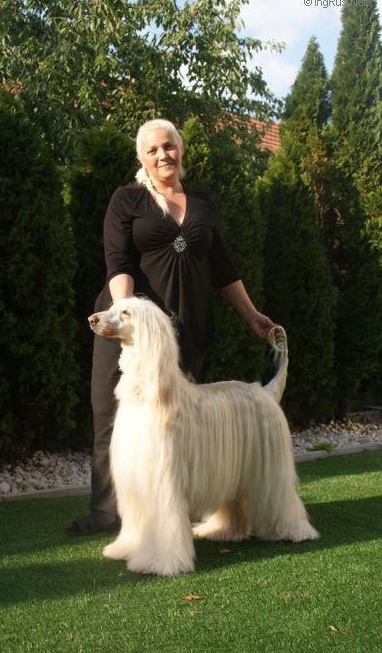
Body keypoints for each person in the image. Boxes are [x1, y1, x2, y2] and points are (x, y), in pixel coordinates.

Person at [66, 118, 276, 536]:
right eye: (152, 150)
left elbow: (223, 268)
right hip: (127, 331)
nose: (162, 155)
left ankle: (169, 510)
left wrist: (252, 314)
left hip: (183, 332)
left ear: (181, 149)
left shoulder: (202, 204)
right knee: (112, 417)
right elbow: (117, 262)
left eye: (169, 146)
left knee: (174, 425)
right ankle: (107, 511)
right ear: (141, 158)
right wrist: (124, 315)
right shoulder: (127, 199)